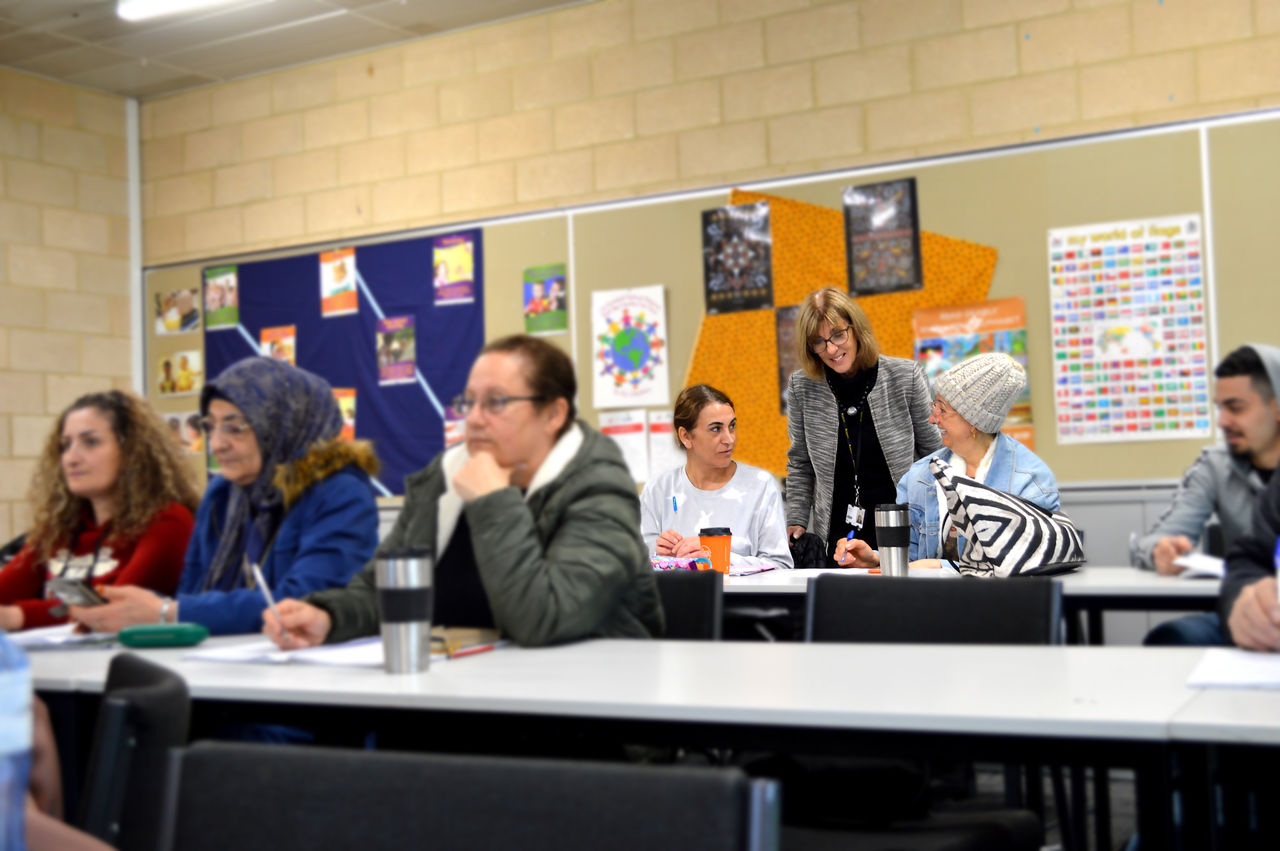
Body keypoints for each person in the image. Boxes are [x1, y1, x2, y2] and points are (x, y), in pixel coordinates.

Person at [264, 335, 664, 649]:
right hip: (462, 701)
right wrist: (329, 618)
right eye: (468, 402)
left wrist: (493, 502)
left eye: (496, 403)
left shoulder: (599, 489)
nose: (472, 419)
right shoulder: (444, 479)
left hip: (582, 724)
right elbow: (382, 591)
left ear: (554, 415)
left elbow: (544, 619)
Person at [72, 357, 379, 636]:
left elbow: (307, 601)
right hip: (223, 661)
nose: (217, 444)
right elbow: (193, 589)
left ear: (281, 425)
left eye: (235, 428)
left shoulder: (340, 491)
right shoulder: (223, 494)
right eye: (210, 427)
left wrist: (167, 612)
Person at [835, 353, 1059, 570]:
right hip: (928, 605)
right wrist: (875, 559)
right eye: (935, 406)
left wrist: (945, 567)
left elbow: (1029, 565)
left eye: (942, 409)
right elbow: (911, 560)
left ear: (973, 421)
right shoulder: (919, 477)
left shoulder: (1029, 483)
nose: (933, 419)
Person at [0, 391, 199, 631]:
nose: (71, 458)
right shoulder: (60, 528)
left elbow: (114, 611)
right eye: (65, 445)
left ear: (131, 453)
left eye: (90, 442)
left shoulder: (168, 520)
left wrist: (16, 616)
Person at [1139, 344, 1280, 645]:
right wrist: (1160, 551)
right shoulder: (1214, 465)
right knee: (1171, 639)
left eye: (1236, 407)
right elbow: (1157, 538)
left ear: (1276, 406)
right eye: (1220, 408)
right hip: (1247, 611)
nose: (1222, 421)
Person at [784, 286, 941, 557]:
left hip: (901, 528)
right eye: (819, 342)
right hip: (836, 536)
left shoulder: (906, 377)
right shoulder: (802, 388)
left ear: (856, 329)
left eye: (837, 334)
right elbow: (800, 462)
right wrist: (796, 518)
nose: (831, 348)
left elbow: (934, 454)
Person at [640, 384, 792, 569]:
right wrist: (658, 554)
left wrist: (719, 556)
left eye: (732, 426)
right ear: (686, 436)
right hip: (676, 597)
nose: (729, 439)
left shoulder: (760, 486)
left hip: (741, 598)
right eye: (715, 429)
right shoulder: (658, 489)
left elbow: (781, 565)